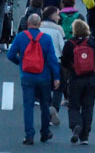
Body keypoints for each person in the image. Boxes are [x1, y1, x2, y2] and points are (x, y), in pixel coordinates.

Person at [7, 13, 61, 145]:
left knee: (28, 107)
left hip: (27, 76)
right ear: (39, 23)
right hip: (44, 76)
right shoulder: (46, 39)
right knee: (44, 105)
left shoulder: (21, 37)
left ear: (28, 23)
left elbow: (10, 54)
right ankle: (45, 132)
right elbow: (52, 59)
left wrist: (21, 62)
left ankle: (29, 135)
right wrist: (57, 77)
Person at [60, 18, 95, 145]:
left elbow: (64, 63)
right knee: (88, 107)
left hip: (75, 79)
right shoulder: (92, 43)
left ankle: (76, 125)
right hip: (91, 79)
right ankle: (85, 136)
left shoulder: (69, 44)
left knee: (74, 105)